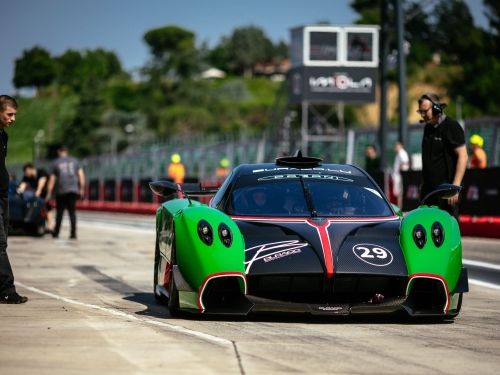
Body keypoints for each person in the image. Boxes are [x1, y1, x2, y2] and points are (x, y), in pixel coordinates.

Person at [417, 93, 468, 217]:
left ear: (436, 108)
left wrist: (454, 187)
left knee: (447, 230)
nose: (423, 115)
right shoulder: (428, 128)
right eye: (420, 112)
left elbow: (463, 155)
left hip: (446, 191)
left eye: (425, 111)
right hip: (429, 191)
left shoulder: (451, 126)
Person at [0, 94, 28, 303]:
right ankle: (7, 290)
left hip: (3, 196)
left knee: (3, 242)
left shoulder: (3, 137)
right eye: (9, 114)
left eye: (14, 115)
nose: (13, 119)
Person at [47, 145, 85, 239]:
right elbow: (81, 175)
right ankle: (73, 233)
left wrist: (49, 193)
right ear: (67, 151)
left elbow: (52, 179)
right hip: (73, 190)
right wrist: (81, 189)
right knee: (72, 212)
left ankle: (56, 232)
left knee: (60, 212)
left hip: (61, 190)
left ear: (59, 151)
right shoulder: (75, 161)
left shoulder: (55, 163)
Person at [17, 163, 53, 231]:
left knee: (48, 207)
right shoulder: (27, 176)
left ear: (30, 169)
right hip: (37, 193)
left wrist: (38, 191)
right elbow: (23, 184)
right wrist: (19, 191)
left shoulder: (41, 172)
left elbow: (42, 182)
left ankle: (50, 226)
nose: (25, 173)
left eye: (26, 171)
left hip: (46, 191)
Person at [391, 141, 410, 207]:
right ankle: (400, 207)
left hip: (400, 176)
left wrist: (402, 172)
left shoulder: (402, 153)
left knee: (400, 193)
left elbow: (405, 163)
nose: (396, 147)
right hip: (397, 176)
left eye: (397, 145)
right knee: (398, 193)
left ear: (401, 146)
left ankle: (401, 207)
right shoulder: (399, 154)